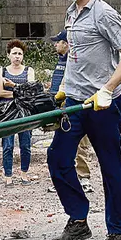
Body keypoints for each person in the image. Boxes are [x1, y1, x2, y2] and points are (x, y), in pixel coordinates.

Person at [48, 0, 121, 240]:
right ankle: (78, 219)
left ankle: (120, 232)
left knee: (110, 166)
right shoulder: (71, 13)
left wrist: (108, 89)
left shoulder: (105, 14)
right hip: (75, 103)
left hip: (102, 104)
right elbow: (75, 54)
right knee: (58, 158)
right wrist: (64, 86)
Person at [47, 30, 94, 194]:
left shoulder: (75, 60)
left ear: (66, 44)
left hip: (75, 105)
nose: (55, 44)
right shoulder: (61, 59)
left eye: (58, 42)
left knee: (81, 143)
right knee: (61, 143)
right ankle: (62, 179)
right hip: (60, 106)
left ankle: (84, 178)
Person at [0, 40, 36, 187]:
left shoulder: (29, 71)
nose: (17, 56)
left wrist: (13, 87)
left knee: (25, 144)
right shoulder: (2, 71)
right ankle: (8, 175)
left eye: (20, 53)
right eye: (14, 53)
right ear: (8, 55)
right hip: (7, 112)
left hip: (25, 111)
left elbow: (31, 91)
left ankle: (24, 173)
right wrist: (20, 92)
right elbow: (0, 92)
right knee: (8, 145)